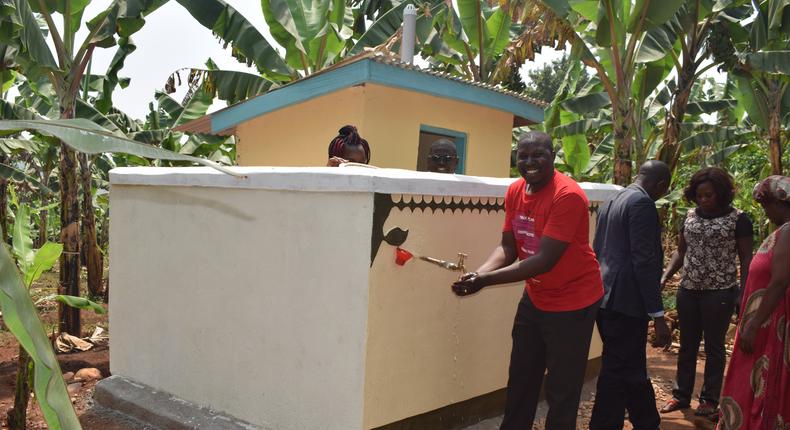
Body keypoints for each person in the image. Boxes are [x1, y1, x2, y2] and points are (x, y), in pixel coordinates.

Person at [451, 131, 603, 430]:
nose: (530, 162)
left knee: (562, 389)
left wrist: (486, 281)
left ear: (553, 156)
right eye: (523, 156)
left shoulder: (567, 196)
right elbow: (509, 248)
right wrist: (479, 274)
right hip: (536, 297)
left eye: (538, 155)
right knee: (521, 377)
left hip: (574, 301)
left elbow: (544, 260)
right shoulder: (516, 190)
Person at [660, 167, 754, 416]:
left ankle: (709, 399)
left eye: (709, 195)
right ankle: (680, 396)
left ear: (721, 194)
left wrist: (743, 292)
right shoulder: (690, 216)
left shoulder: (739, 219)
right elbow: (681, 251)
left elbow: (746, 259)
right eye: (700, 195)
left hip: (720, 292)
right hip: (688, 289)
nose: (703, 200)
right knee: (687, 346)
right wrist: (666, 274)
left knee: (713, 348)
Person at [589, 160, 673, 430]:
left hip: (604, 298)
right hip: (625, 302)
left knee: (628, 365)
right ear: (661, 185)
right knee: (619, 370)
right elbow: (644, 261)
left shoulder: (613, 201)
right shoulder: (642, 204)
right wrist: (658, 314)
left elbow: (597, 250)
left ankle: (647, 421)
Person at [717, 176, 790, 430]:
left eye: (766, 206)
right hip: (764, 323)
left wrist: (754, 323)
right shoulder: (782, 231)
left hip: (768, 326)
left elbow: (780, 282)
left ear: (779, 203)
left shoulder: (789, 231)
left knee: (762, 380)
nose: (766, 213)